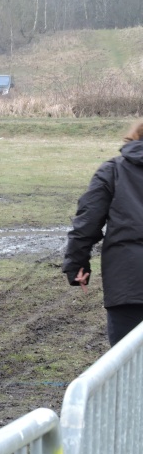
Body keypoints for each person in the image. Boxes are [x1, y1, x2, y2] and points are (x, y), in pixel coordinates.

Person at [63, 120, 143, 347]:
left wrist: (77, 265)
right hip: (128, 283)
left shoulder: (113, 170)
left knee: (125, 364)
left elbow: (86, 223)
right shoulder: (113, 171)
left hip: (128, 283)